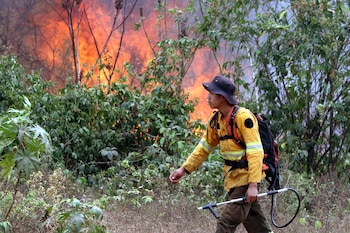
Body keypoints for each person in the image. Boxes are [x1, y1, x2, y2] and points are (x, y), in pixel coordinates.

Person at [169, 75, 273, 233]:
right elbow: (204, 147)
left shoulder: (243, 118)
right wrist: (183, 169)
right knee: (258, 228)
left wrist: (253, 185)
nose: (208, 97)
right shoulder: (215, 120)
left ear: (222, 97)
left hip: (246, 180)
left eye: (212, 93)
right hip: (233, 180)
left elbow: (255, 152)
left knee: (225, 223)